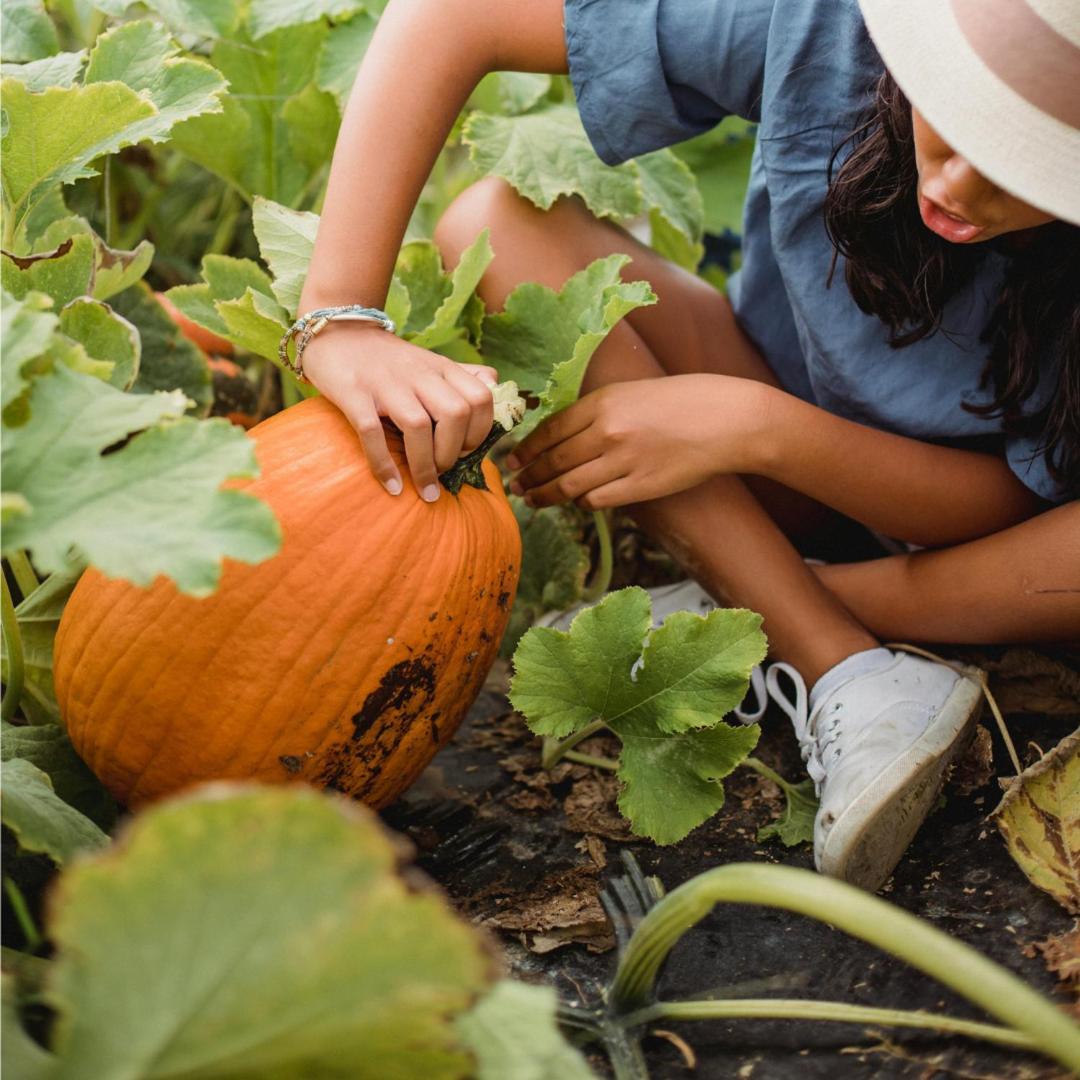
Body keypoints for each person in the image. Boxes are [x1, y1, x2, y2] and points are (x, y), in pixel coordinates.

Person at [292, 0, 1080, 890]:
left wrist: (760, 428)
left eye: (1036, 161)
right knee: (496, 225)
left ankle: (804, 627)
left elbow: (1012, 501)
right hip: (788, 437)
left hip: (998, 554)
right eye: (960, 108)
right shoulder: (826, 22)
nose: (963, 182)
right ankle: (829, 651)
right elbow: (449, 16)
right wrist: (342, 318)